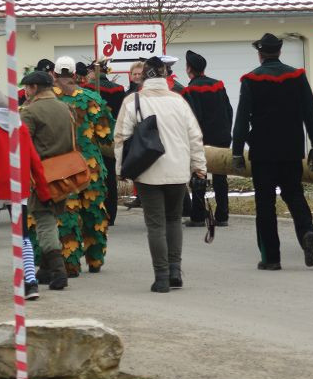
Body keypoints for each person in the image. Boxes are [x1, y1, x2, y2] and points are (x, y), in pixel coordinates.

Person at [115, 56, 206, 292]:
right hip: (178, 172)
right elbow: (195, 137)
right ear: (166, 76)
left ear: (143, 77)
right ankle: (175, 270)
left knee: (155, 225)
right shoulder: (179, 102)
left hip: (148, 172)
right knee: (173, 220)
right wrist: (199, 167)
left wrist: (120, 171)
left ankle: (162, 276)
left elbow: (121, 139)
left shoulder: (132, 101)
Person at [232, 33, 313, 270]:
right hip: (291, 149)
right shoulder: (298, 77)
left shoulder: (250, 80)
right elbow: (310, 114)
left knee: (265, 203)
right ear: (280, 52)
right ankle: (307, 233)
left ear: (260, 54)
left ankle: (271, 258)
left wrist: (237, 151)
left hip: (263, 152)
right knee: (294, 194)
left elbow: (241, 120)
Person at [0, 88, 50, 300]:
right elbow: (34, 159)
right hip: (19, 186)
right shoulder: (19, 123)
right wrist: (43, 190)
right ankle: (30, 282)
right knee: (22, 236)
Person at [52, 56, 114, 275]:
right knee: (94, 211)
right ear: (75, 75)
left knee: (67, 213)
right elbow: (106, 135)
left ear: (55, 74)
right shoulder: (91, 98)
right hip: (90, 166)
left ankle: (70, 262)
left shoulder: (47, 100)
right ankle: (95, 259)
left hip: (61, 166)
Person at [20, 71, 74, 290]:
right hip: (64, 172)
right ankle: (45, 269)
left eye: (27, 87)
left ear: (34, 88)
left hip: (41, 174)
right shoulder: (65, 107)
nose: (25, 92)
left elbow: (22, 146)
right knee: (51, 218)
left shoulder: (30, 112)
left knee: (44, 221)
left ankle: (59, 271)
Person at [182, 50, 233, 227]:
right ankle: (222, 215)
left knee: (198, 174)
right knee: (221, 177)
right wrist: (227, 131)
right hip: (222, 137)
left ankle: (197, 216)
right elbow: (229, 110)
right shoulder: (218, 85)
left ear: (189, 69)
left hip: (203, 139)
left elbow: (194, 118)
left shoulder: (190, 90)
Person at [81, 61, 126, 226]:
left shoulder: (89, 90)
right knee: (111, 178)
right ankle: (111, 214)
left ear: (93, 72)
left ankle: (99, 211)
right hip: (113, 134)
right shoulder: (119, 89)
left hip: (95, 136)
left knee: (96, 175)